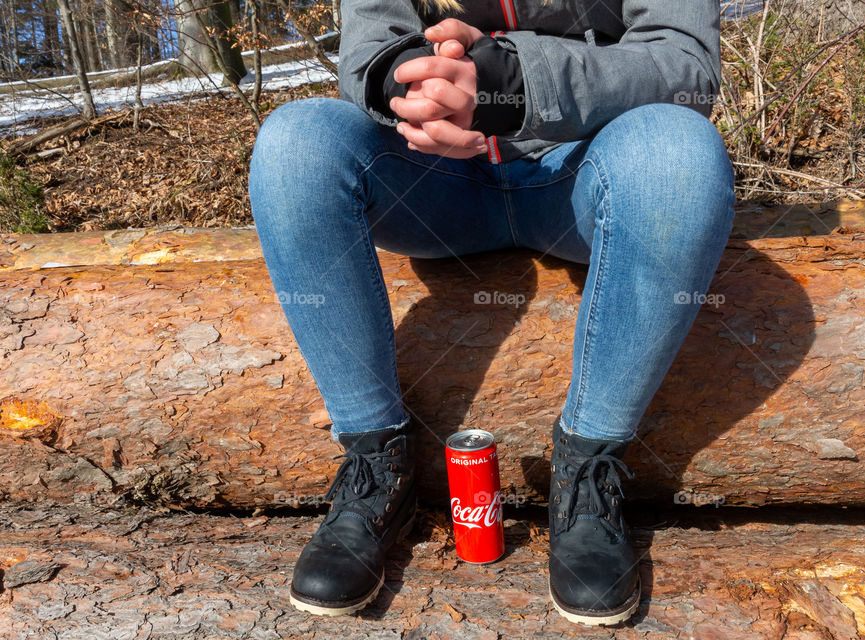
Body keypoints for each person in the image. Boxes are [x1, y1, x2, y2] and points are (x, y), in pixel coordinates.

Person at [247, 0, 734, 627]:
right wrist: (419, 81)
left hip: (585, 172)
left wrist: (507, 81)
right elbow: (369, 49)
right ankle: (376, 467)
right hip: (430, 180)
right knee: (295, 142)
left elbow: (685, 63)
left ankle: (588, 474)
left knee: (680, 155)